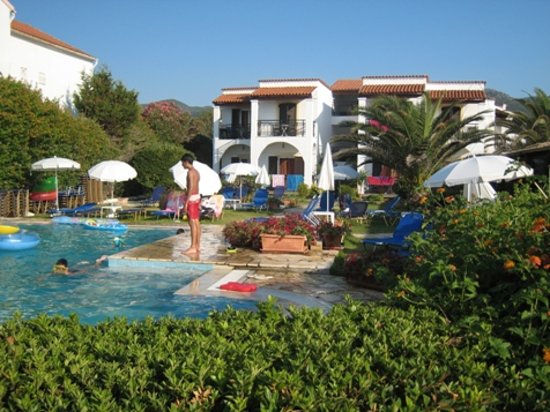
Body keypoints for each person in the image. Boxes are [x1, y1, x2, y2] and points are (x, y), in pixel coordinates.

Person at [181, 154, 201, 255]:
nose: (182, 165)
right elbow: (196, 187)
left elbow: (191, 187)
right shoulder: (196, 172)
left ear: (186, 162)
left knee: (192, 222)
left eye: (182, 163)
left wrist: (186, 202)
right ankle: (197, 246)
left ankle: (193, 247)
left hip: (192, 198)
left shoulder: (190, 173)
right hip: (197, 197)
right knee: (196, 222)